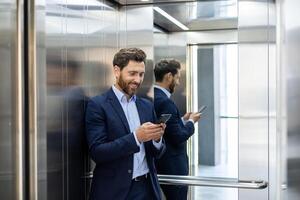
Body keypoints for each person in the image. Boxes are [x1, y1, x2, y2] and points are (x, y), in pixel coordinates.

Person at [85, 48, 166, 200]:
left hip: (147, 189)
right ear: (117, 71)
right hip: (115, 192)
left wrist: (156, 139)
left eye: (141, 74)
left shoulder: (147, 105)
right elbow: (98, 152)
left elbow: (157, 153)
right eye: (132, 73)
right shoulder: (98, 105)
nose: (138, 80)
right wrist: (136, 137)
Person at [153, 59, 201, 200]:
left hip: (161, 163)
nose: (178, 82)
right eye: (178, 77)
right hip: (173, 166)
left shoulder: (154, 97)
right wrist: (192, 122)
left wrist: (182, 120)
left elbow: (164, 126)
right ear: (169, 76)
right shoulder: (165, 101)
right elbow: (178, 136)